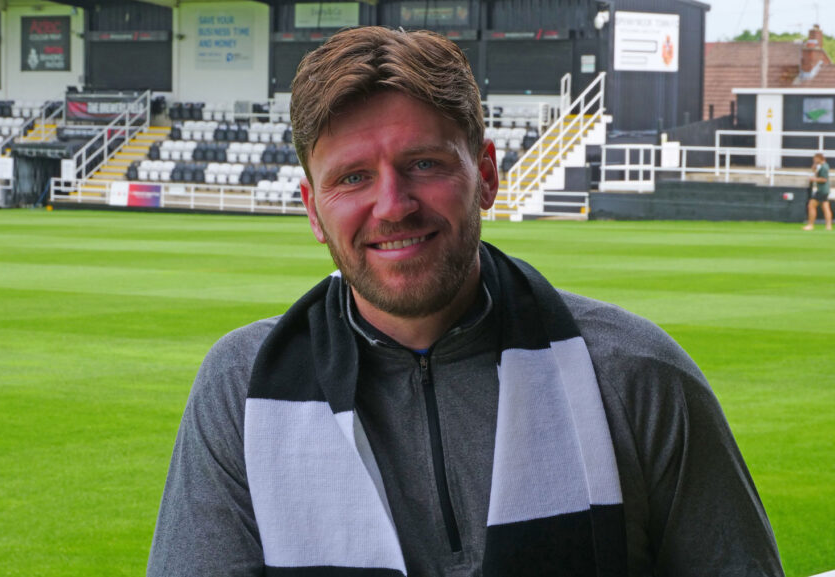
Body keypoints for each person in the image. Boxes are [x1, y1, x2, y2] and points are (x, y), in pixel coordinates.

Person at [148, 26, 783, 576]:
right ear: (314, 210)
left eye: (423, 163)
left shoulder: (636, 376)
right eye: (352, 177)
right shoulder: (241, 391)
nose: (393, 205)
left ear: (486, 174)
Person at [804, 152, 832, 231]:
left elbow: (823, 179)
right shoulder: (823, 166)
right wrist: (814, 169)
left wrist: (813, 179)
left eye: (815, 159)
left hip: (822, 190)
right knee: (825, 207)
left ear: (819, 158)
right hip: (825, 190)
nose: (814, 160)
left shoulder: (824, 167)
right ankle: (828, 226)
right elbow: (818, 175)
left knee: (811, 206)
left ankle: (810, 225)